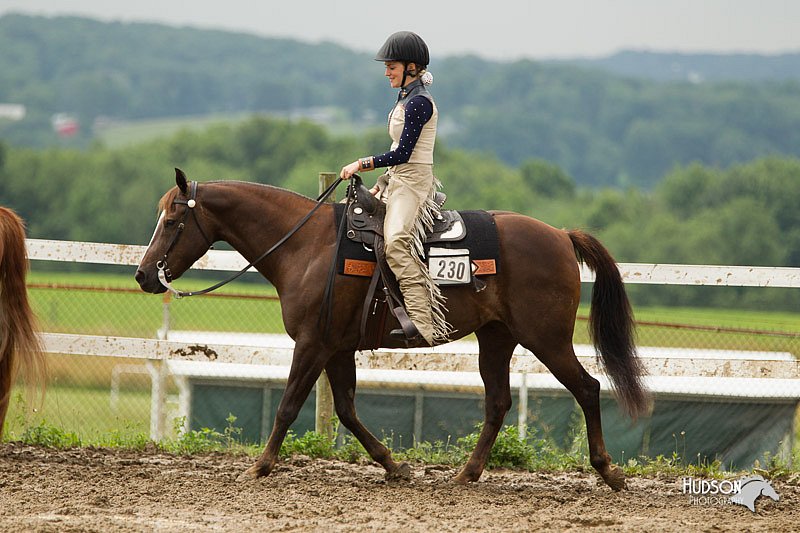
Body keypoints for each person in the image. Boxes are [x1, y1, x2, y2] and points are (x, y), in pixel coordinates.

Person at [340, 30, 450, 345]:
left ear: (411, 67)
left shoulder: (419, 103)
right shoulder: (405, 97)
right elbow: (397, 149)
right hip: (397, 179)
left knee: (398, 242)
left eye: (391, 66)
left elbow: (403, 154)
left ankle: (423, 322)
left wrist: (361, 164)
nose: (386, 72)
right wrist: (382, 183)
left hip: (413, 184)